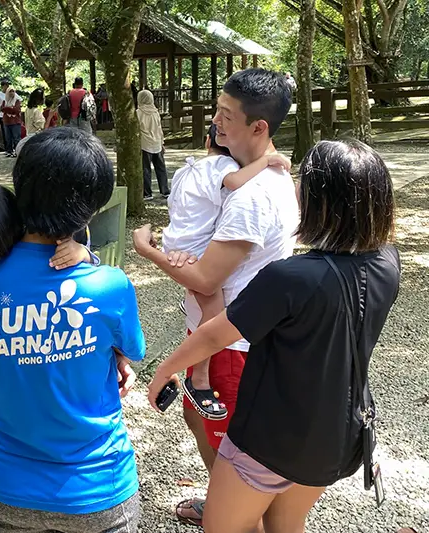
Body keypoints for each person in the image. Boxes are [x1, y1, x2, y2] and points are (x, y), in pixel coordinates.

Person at [147, 139, 400, 533]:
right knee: (286, 524)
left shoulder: (293, 277)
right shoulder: (387, 261)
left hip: (270, 437)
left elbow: (217, 334)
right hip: (337, 433)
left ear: (322, 201)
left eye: (304, 181)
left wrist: (166, 368)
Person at [0, 128, 145, 533]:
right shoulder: (109, 285)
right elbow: (131, 349)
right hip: (98, 487)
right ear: (87, 209)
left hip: (6, 487)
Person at [133, 68, 298, 527]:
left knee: (230, 445)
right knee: (198, 417)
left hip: (230, 341)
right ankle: (226, 500)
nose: (217, 122)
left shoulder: (251, 194)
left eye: (227, 115)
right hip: (215, 334)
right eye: (218, 112)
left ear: (258, 127)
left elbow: (205, 278)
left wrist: (149, 251)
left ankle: (234, 514)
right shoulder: (258, 174)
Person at [164, 124, 291, 421]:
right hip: (194, 252)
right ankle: (199, 378)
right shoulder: (222, 166)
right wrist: (266, 161)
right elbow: (233, 182)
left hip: (178, 241)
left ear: (205, 140)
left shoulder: (187, 170)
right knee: (215, 313)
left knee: (202, 306)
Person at [136, 89, 169, 200]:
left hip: (144, 143)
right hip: (157, 143)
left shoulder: (138, 113)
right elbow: (159, 129)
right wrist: (162, 142)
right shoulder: (155, 112)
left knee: (145, 169)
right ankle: (165, 191)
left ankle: (147, 193)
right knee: (161, 168)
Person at [0, 78, 18, 151]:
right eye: (6, 85)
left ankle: (14, 147)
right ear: (2, 86)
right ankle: (8, 148)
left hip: (12, 116)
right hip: (2, 116)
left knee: (13, 131)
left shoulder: (12, 93)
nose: (7, 86)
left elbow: (19, 100)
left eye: (8, 85)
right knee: (5, 133)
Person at [0, 87, 22, 157]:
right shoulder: (4, 101)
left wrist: (10, 109)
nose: (11, 93)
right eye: (10, 91)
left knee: (16, 137)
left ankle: (17, 151)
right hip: (7, 122)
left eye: (13, 91)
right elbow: (3, 109)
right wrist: (10, 109)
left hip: (15, 122)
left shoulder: (17, 101)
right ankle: (9, 151)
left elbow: (17, 110)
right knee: (8, 137)